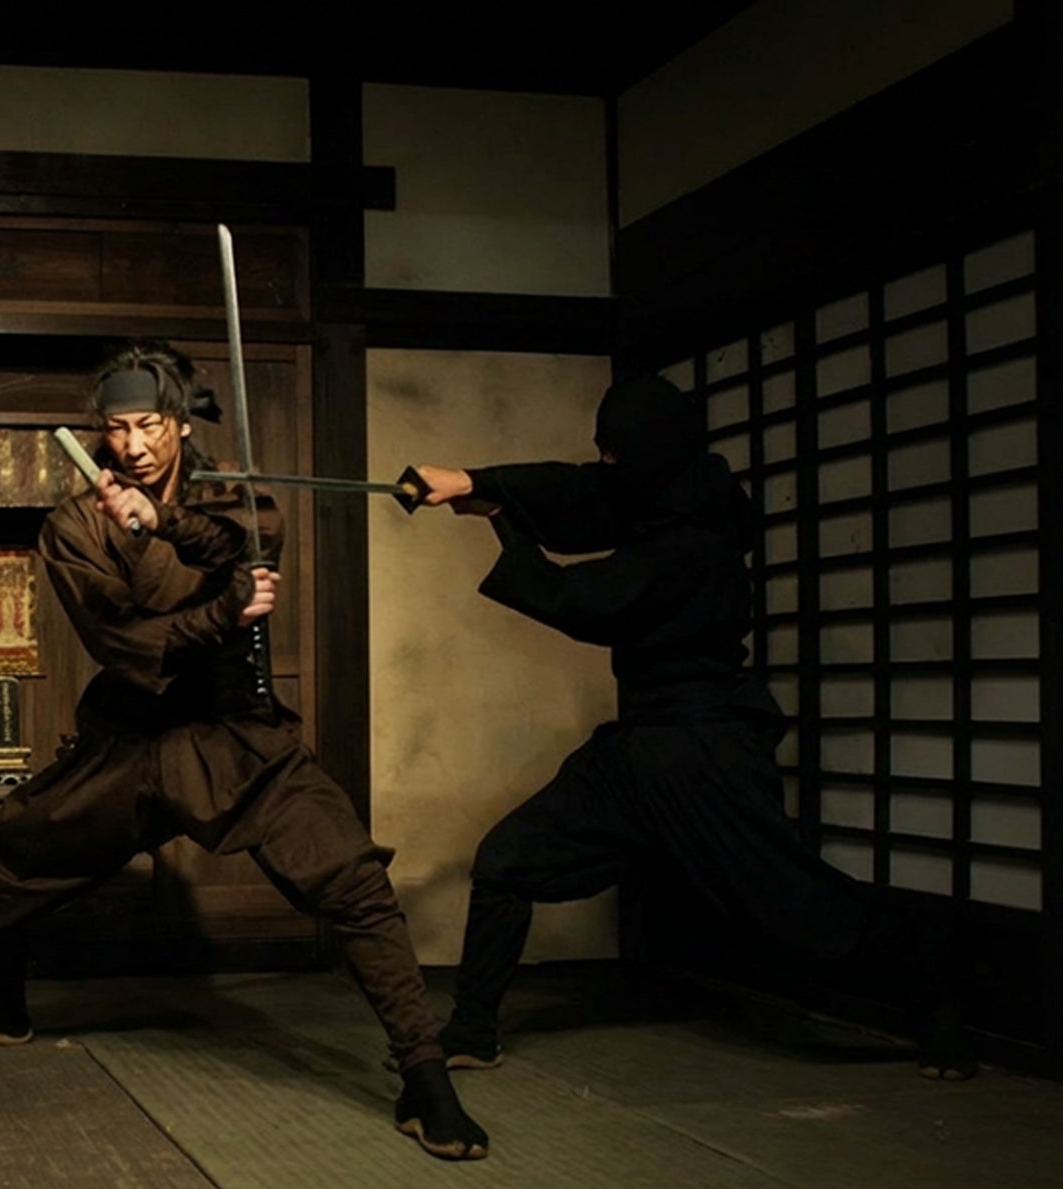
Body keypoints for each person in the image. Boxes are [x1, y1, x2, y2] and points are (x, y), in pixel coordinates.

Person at [0, 342, 487, 1160]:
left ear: (181, 423)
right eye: (117, 428)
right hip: (132, 730)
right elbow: (123, 640)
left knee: (353, 878)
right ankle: (2, 1007)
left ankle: (425, 1077)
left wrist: (165, 522)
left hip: (232, 729)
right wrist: (218, 609)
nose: (133, 445)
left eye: (150, 424)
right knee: (8, 854)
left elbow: (247, 540)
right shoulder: (72, 525)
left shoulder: (235, 498)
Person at [415, 375, 975, 1080]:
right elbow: (583, 490)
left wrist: (503, 518)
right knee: (507, 861)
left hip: (705, 748)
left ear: (649, 452)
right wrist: (476, 483)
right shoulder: (663, 491)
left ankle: (935, 994)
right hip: (638, 746)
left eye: (615, 453)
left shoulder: (696, 538)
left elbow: (584, 601)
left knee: (797, 914)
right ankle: (472, 1026)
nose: (607, 464)